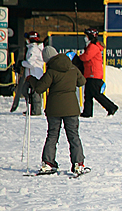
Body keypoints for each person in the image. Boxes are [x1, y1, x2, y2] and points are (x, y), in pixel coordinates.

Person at [27, 45, 89, 176]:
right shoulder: (72, 67)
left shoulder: (51, 71)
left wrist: (31, 79)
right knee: (73, 136)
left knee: (52, 135)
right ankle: (78, 164)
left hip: (54, 108)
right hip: (71, 108)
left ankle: (48, 163)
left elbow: (40, 88)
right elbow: (82, 81)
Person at [78, 28, 118, 117]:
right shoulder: (91, 46)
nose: (85, 38)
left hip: (94, 74)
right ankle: (87, 112)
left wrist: (78, 57)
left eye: (86, 36)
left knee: (96, 93)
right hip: (90, 74)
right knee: (88, 94)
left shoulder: (93, 47)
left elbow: (86, 57)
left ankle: (111, 107)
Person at [11, 31, 44, 115]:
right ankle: (31, 108)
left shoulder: (34, 49)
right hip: (31, 74)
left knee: (34, 94)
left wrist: (21, 63)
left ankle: (35, 111)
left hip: (35, 75)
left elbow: (30, 63)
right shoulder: (32, 48)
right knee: (26, 91)